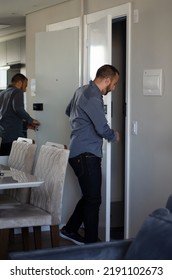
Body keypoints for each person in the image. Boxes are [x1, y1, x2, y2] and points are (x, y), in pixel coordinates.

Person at [60, 64, 120, 245]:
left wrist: (80, 126)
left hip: (77, 151)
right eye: (114, 84)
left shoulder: (81, 90)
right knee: (94, 200)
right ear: (107, 80)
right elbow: (102, 128)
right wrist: (113, 135)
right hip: (86, 154)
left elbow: (68, 111)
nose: (114, 88)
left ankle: (69, 229)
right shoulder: (93, 96)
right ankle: (92, 245)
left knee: (89, 196)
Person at [0, 73, 40, 155]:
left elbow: (7, 114)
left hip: (3, 133)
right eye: (25, 85)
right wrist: (30, 120)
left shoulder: (2, 93)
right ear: (19, 82)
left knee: (4, 160)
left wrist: (25, 125)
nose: (25, 89)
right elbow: (18, 109)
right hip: (13, 135)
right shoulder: (17, 92)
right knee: (14, 162)